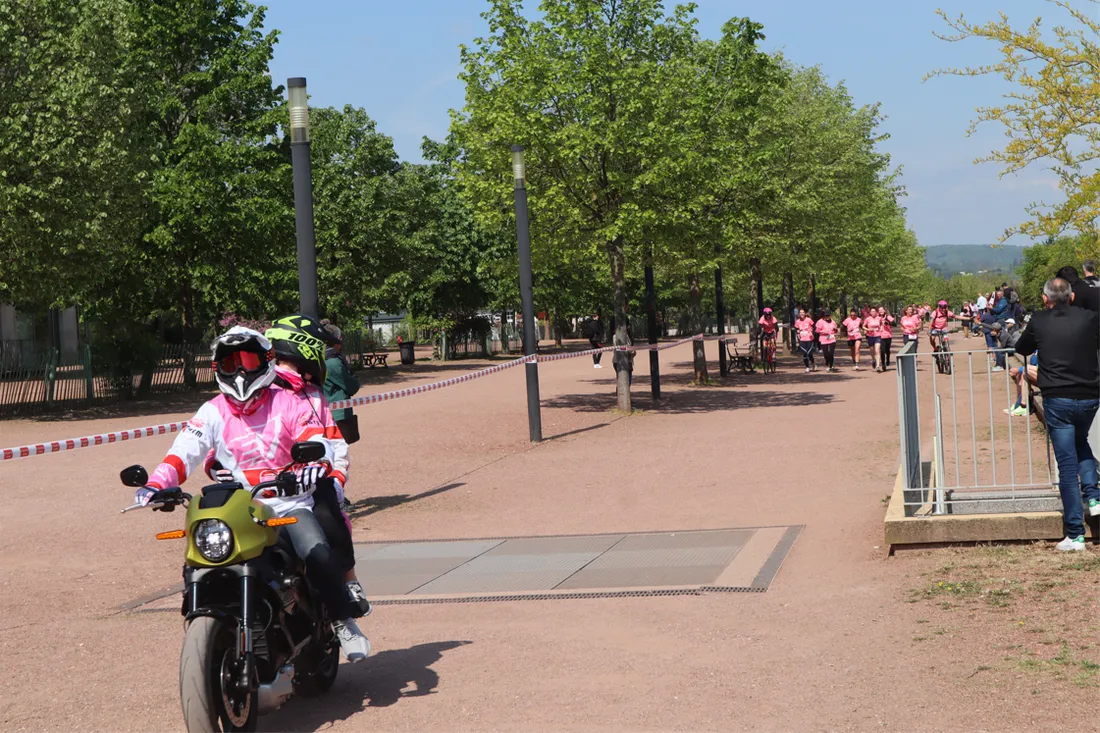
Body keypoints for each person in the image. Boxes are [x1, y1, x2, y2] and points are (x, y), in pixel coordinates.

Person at [135, 326, 371, 659]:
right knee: (199, 558)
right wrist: (157, 483)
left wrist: (315, 463)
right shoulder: (212, 410)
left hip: (289, 504)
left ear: (265, 360)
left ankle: (342, 619)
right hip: (239, 506)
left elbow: (315, 438)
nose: (240, 372)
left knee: (317, 552)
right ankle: (207, 621)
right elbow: (184, 450)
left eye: (247, 361)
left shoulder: (289, 402)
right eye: (231, 363)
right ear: (217, 368)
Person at [1015, 278, 1100, 550]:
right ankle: (1094, 497)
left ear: (1045, 298)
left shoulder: (1039, 320)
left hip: (1058, 396)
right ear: (1071, 296)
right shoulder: (1090, 318)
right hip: (1089, 395)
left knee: (1067, 465)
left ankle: (1075, 533)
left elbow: (1021, 348)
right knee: (1080, 441)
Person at [321, 324, 361, 445]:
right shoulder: (333, 363)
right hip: (338, 415)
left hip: (325, 413)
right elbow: (352, 386)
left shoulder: (321, 359)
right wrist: (353, 378)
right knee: (340, 449)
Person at [863, 308, 883, 372]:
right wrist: (868, 329)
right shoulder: (867, 319)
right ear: (870, 313)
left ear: (876, 312)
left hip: (878, 335)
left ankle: (878, 366)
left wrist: (881, 328)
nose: (873, 312)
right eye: (872, 311)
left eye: (874, 311)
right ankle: (873, 360)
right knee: (872, 351)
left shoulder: (879, 318)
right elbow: (863, 326)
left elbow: (882, 324)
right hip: (870, 336)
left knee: (877, 350)